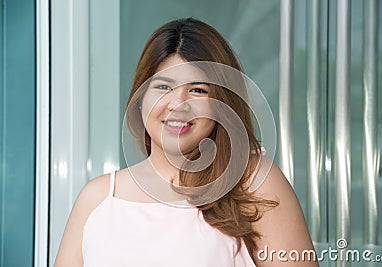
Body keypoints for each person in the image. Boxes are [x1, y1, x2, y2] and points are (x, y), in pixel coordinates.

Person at [55, 18, 318, 267]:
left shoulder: (253, 184)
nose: (178, 104)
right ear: (141, 97)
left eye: (197, 90)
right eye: (163, 87)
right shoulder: (98, 198)